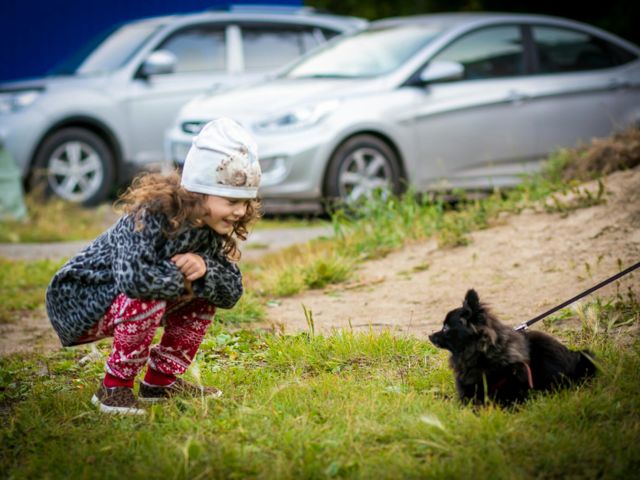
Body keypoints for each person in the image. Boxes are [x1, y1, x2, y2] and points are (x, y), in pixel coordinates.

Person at [46, 118, 261, 415]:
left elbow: (231, 291)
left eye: (245, 202)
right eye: (231, 201)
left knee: (205, 294)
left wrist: (204, 269)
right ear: (198, 193)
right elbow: (134, 280)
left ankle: (159, 383)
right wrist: (184, 277)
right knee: (148, 294)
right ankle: (113, 388)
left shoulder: (210, 229)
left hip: (124, 300)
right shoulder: (151, 216)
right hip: (81, 300)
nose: (240, 211)